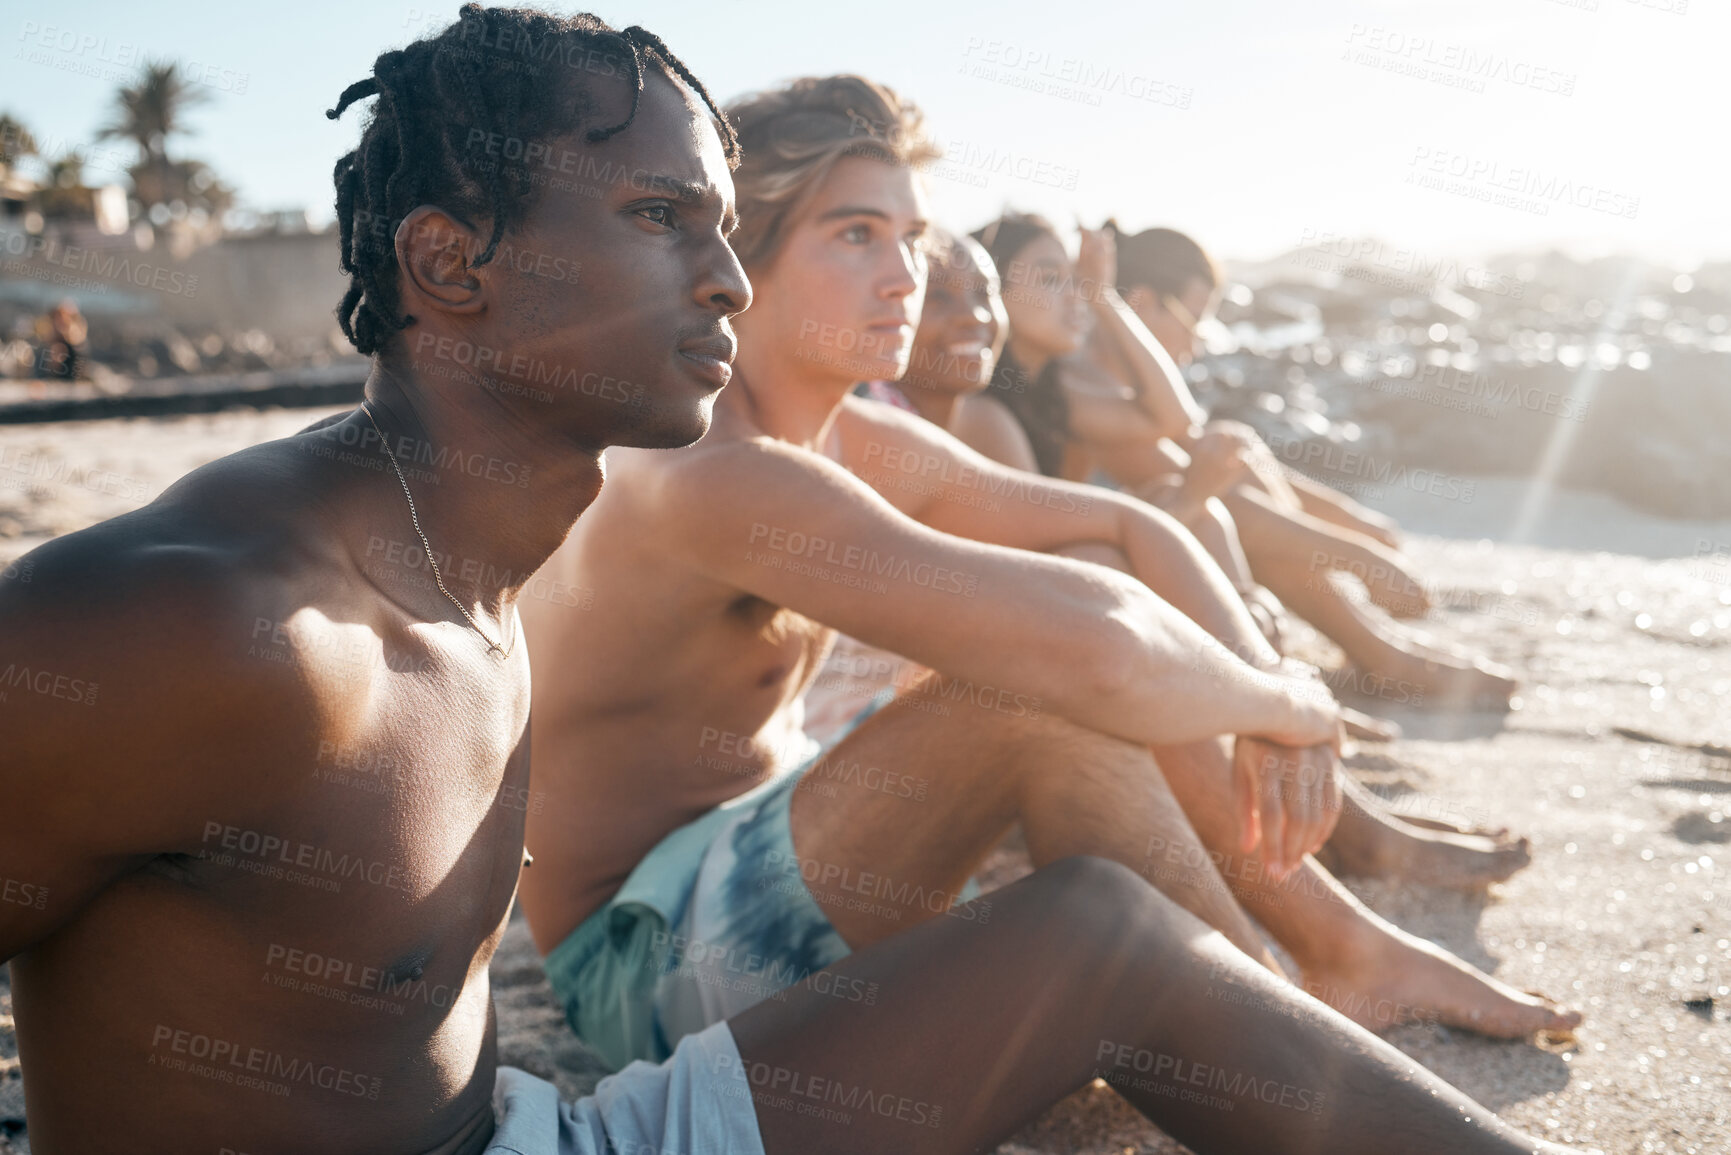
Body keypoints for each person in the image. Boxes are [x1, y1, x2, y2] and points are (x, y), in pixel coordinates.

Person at [0, 14, 1588, 1155]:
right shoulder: (219, 622)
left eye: (722, 223)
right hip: (593, 1045)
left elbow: (1104, 552)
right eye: (656, 218)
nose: (726, 276)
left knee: (1100, 936)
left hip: (537, 1116)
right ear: (450, 263)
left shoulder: (472, 556)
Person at [515, 75, 1578, 1117]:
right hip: (642, 962)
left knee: (1071, 657)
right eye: (854, 235)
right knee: (1034, 696)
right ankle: (1288, 1003)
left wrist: (1261, 690)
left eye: (912, 236)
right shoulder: (713, 468)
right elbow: (1098, 650)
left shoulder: (843, 433)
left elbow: (1122, 527)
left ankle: (1333, 952)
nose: (905, 276)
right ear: (744, 262)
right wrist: (1287, 705)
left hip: (777, 846)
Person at [845, 227, 1532, 890]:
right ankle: (1335, 796)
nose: (1074, 296)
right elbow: (1047, 584)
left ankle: (1332, 767)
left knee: (1190, 498)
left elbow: (1171, 427)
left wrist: (1104, 301)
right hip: (1012, 669)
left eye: (984, 293)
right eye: (1052, 280)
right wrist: (1337, 552)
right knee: (1170, 522)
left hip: (1059, 632)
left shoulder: (1048, 391)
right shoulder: (986, 413)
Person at [972, 213, 1519, 710]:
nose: (1199, 343)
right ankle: (1356, 656)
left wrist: (1355, 530)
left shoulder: (1056, 381)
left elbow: (1193, 441)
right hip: (1066, 585)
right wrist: (1357, 553)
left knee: (1226, 458)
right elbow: (1184, 443)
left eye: (1073, 282)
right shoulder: (1055, 382)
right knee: (1209, 499)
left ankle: (1359, 649)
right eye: (1197, 320)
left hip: (1098, 559)